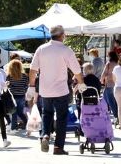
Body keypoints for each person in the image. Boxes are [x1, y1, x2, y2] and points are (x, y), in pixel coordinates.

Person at [27, 25, 85, 156]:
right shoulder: (66, 50)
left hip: (45, 90)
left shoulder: (41, 49)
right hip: (60, 90)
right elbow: (77, 70)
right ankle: (58, 147)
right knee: (61, 118)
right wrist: (81, 83)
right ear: (62, 35)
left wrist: (31, 87)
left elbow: (32, 70)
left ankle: (45, 135)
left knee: (46, 113)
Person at [6, 59, 29, 131]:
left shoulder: (9, 76)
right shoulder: (25, 76)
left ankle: (13, 127)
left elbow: (8, 86)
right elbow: (26, 86)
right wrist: (22, 90)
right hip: (22, 96)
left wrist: (13, 89)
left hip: (13, 96)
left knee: (14, 112)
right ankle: (26, 123)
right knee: (20, 112)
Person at [100, 51, 119, 119]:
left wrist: (101, 80)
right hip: (117, 84)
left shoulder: (109, 63)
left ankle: (116, 115)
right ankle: (118, 114)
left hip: (109, 84)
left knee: (110, 101)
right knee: (116, 101)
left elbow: (104, 73)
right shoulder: (118, 63)